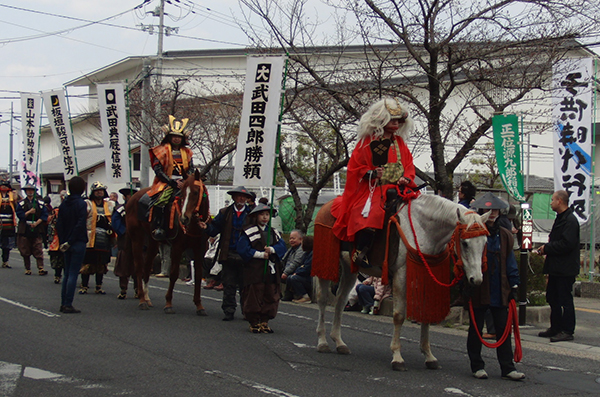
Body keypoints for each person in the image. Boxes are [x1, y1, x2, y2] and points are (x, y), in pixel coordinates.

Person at [332, 97, 416, 267]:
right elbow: (355, 167)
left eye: (398, 120)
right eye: (392, 119)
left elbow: (409, 165)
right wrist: (370, 173)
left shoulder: (399, 142)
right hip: (374, 189)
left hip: (400, 189)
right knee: (371, 215)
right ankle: (360, 251)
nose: (396, 124)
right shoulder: (367, 142)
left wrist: (406, 177)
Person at [467, 192, 524, 381]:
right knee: (475, 329)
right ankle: (477, 366)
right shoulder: (474, 231)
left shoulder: (506, 235)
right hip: (479, 287)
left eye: (495, 210)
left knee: (503, 329)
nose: (491, 213)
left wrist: (514, 286)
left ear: (500, 212)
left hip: (500, 289)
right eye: (488, 209)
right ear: (481, 210)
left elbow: (510, 262)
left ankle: (507, 367)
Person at [200, 186, 253, 321]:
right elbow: (215, 229)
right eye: (239, 196)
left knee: (245, 285)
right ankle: (229, 311)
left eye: (244, 197)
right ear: (234, 198)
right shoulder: (225, 212)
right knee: (228, 285)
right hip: (228, 253)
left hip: (245, 255)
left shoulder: (252, 213)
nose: (241, 199)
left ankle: (246, 311)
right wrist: (206, 228)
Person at [536, 190, 580, 343]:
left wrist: (547, 248)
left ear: (560, 201)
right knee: (553, 297)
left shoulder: (570, 220)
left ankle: (567, 330)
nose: (551, 203)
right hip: (556, 267)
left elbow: (567, 244)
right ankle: (555, 327)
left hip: (565, 268)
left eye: (553, 200)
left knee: (564, 299)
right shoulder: (562, 218)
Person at [237, 203, 287, 333]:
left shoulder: (274, 232)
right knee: (254, 293)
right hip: (255, 269)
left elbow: (282, 247)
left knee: (271, 293)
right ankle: (254, 321)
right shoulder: (248, 231)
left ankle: (265, 320)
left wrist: (272, 249)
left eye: (267, 215)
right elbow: (242, 249)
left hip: (271, 269)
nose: (265, 217)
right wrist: (259, 254)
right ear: (255, 216)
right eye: (262, 214)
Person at [147, 115, 194, 241]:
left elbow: (191, 168)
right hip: (165, 181)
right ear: (169, 137)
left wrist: (186, 180)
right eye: (174, 136)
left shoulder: (187, 152)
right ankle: (159, 227)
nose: (177, 139)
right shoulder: (161, 150)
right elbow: (158, 170)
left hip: (184, 181)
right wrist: (172, 182)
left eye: (179, 137)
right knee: (161, 200)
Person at [56, 176, 88, 314]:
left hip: (65, 241)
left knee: (67, 273)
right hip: (77, 241)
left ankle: (63, 303)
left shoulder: (64, 203)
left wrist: (64, 241)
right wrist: (71, 241)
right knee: (74, 273)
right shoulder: (81, 203)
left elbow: (59, 223)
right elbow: (80, 224)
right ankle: (68, 303)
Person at [79, 182, 115, 295]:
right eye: (97, 190)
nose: (99, 192)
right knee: (87, 262)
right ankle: (84, 285)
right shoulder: (87, 204)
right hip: (90, 237)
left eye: (101, 190)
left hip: (105, 237)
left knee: (102, 263)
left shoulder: (110, 205)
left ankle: (98, 286)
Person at [16, 184, 49, 275]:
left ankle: (41, 267)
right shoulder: (21, 203)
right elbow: (20, 215)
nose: (30, 192)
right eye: (28, 190)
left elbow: (44, 215)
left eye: (31, 190)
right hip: (25, 228)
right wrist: (29, 212)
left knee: (38, 247)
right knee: (25, 249)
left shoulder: (40, 203)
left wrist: (36, 223)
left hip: (37, 227)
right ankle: (27, 268)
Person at [112, 187, 138, 299]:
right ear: (125, 197)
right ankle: (123, 289)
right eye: (129, 196)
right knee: (123, 265)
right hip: (125, 240)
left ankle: (138, 289)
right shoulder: (120, 209)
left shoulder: (140, 209)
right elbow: (115, 222)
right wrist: (124, 232)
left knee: (138, 266)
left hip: (138, 240)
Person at [47, 190, 68, 283]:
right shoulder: (56, 211)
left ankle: (67, 276)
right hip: (57, 237)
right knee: (57, 257)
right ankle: (57, 275)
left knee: (67, 258)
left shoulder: (73, 211)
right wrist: (50, 238)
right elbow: (51, 225)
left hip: (68, 237)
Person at [280, 229, 305, 301]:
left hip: (297, 272)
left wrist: (285, 272)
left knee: (290, 277)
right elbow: (283, 260)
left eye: (293, 238)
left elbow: (296, 263)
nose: (291, 240)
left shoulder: (301, 249)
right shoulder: (291, 249)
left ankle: (290, 294)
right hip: (288, 269)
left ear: (301, 239)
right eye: (290, 238)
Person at [288, 235, 313, 303]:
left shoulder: (312, 254)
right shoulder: (306, 253)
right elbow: (301, 265)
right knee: (290, 277)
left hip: (310, 278)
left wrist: (297, 272)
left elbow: (307, 268)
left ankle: (305, 297)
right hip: (305, 276)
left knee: (294, 278)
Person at [0, 181, 18, 269]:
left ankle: (5, 261)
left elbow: (17, 206)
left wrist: (15, 198)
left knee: (6, 244)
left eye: (5, 186)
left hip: (9, 223)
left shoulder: (11, 196)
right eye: (2, 186)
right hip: (0, 222)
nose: (3, 187)